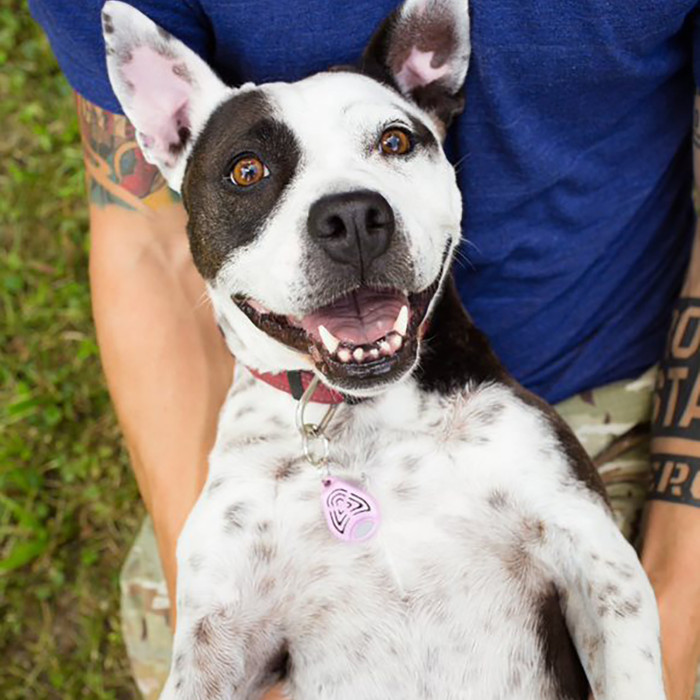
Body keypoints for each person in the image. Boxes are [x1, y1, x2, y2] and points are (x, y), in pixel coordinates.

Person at [29, 1, 700, 698]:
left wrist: (674, 630)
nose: (348, 214)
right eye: (251, 174)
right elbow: (139, 242)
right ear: (169, 136)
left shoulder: (507, 433)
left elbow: (611, 593)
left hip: (616, 357)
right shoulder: (242, 497)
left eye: (392, 144)